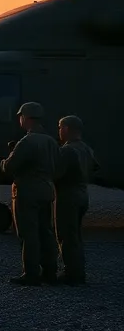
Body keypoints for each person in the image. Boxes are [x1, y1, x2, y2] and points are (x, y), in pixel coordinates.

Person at [0, 102, 60, 286]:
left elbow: (10, 167)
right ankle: (50, 271)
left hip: (27, 191)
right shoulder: (51, 141)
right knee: (46, 231)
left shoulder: (27, 141)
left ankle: (31, 272)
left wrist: (4, 161)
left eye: (21, 117)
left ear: (25, 118)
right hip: (46, 189)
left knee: (28, 233)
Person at [55, 115, 97, 285]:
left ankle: (71, 272)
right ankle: (78, 269)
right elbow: (95, 167)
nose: (59, 131)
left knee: (66, 234)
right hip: (82, 193)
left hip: (68, 195)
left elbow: (57, 173)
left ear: (66, 129)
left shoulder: (67, 150)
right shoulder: (86, 148)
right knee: (76, 234)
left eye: (60, 127)